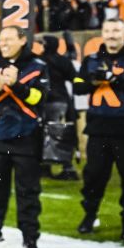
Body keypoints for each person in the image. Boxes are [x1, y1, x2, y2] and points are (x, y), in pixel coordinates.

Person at [73, 19, 124, 244]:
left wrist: (115, 79)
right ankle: (89, 216)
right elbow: (78, 85)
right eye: (107, 31)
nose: (111, 35)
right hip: (99, 128)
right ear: (102, 33)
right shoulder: (91, 59)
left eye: (116, 30)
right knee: (94, 178)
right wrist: (93, 79)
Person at [0, 27, 49, 248]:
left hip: (26, 137)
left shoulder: (38, 65)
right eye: (1, 39)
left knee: (28, 191)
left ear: (22, 40)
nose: (4, 43)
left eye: (9, 39)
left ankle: (30, 237)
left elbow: (39, 98)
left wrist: (16, 85)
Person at [37, 34, 80, 180]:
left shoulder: (40, 60)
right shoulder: (63, 60)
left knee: (47, 134)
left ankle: (46, 167)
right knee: (61, 133)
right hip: (61, 101)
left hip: (45, 101)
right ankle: (67, 166)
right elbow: (74, 77)